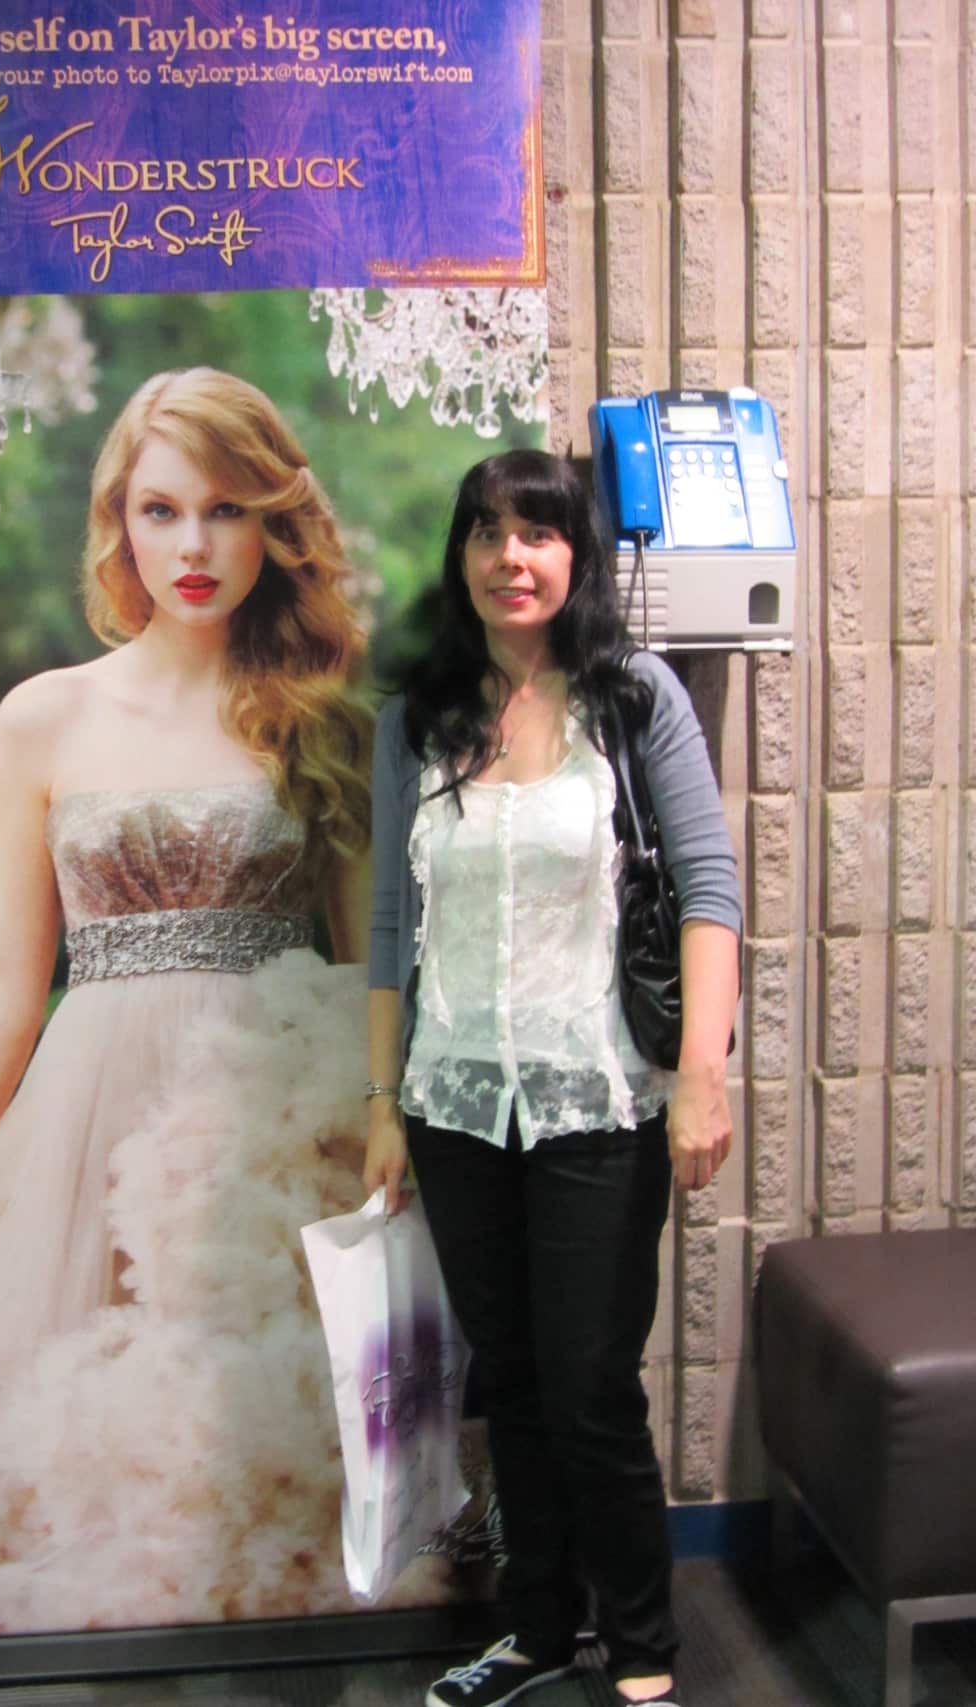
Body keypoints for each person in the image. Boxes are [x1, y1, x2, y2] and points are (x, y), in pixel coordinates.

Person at [0, 367, 387, 1642]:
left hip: (266, 1135)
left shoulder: (322, 719)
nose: (194, 546)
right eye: (162, 509)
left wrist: (390, 1144)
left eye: (228, 511)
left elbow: (368, 967)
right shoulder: (45, 716)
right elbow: (8, 992)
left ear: (273, 525)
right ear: (118, 523)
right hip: (85, 1128)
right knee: (67, 1473)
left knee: (255, 1478)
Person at [364, 450, 741, 1707]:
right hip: (456, 1100)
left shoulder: (632, 700)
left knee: (588, 1390)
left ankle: (639, 1645)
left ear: (575, 554)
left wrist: (700, 1076)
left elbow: (707, 892)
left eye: (535, 534)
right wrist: (381, 1105)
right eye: (483, 533)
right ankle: (535, 1630)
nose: (506, 559)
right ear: (458, 553)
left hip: (596, 1096)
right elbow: (384, 931)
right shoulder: (418, 716)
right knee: (509, 1381)